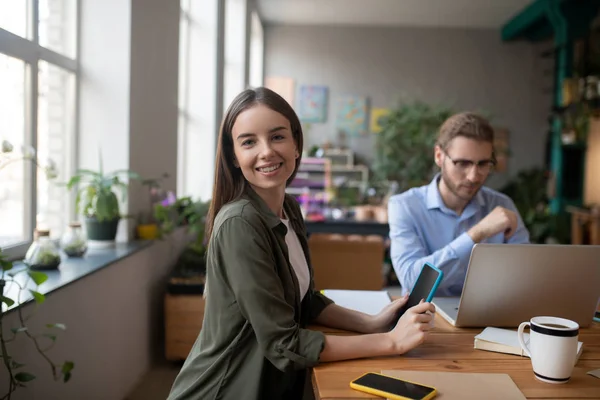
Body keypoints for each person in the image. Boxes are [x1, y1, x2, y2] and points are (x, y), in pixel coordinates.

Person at [167, 87, 436, 400]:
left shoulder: (290, 209)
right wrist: (392, 343)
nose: (266, 151)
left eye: (278, 137)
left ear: (296, 145)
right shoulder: (240, 224)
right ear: (234, 157)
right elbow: (284, 344)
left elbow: (303, 301)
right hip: (225, 390)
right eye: (249, 142)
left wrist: (373, 323)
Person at [388, 112, 530, 297]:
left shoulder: (502, 205)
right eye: (462, 163)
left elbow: (526, 278)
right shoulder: (405, 206)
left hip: (489, 317)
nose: (473, 176)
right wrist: (477, 233)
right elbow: (412, 281)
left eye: (483, 164)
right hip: (426, 320)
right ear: (439, 156)